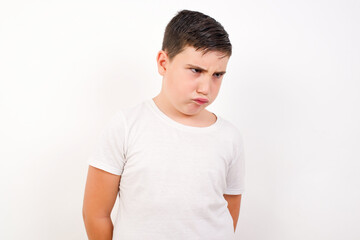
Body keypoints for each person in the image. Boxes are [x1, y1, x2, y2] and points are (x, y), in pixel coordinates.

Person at [82, 9, 246, 240]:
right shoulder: (127, 126)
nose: (206, 88)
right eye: (196, 70)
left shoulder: (229, 136)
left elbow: (230, 208)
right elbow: (95, 213)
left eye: (217, 75)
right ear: (163, 63)